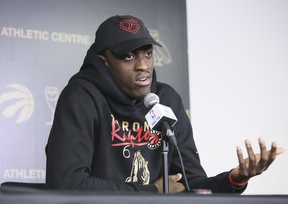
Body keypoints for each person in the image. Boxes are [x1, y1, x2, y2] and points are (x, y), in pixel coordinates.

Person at [45, 15, 284, 193]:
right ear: (104, 61)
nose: (143, 66)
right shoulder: (80, 98)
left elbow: (191, 185)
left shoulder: (166, 100)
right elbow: (67, 183)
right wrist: (154, 190)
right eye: (128, 56)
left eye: (147, 53)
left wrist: (235, 178)